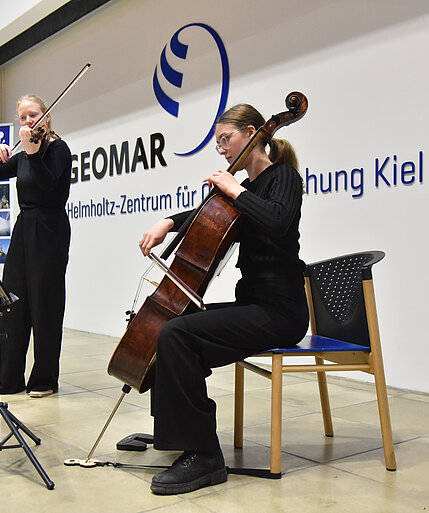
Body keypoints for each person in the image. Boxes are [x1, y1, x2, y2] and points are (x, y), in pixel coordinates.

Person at [138, 103, 309, 494]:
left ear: (252, 133)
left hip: (280, 311)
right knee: (172, 329)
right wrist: (167, 222)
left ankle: (206, 457)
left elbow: (278, 219)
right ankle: (181, 437)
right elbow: (207, 214)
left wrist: (233, 189)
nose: (221, 149)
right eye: (217, 143)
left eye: (225, 139)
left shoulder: (283, 177)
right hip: (253, 305)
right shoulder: (246, 190)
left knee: (178, 337)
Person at [0, 94, 72, 398]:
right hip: (24, 228)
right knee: (12, 304)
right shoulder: (22, 155)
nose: (29, 122)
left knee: (45, 305)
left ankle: (45, 377)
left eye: (34, 115)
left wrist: (32, 153)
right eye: (23, 117)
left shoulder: (58, 149)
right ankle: (8, 378)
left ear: (47, 116)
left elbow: (47, 186)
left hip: (50, 228)